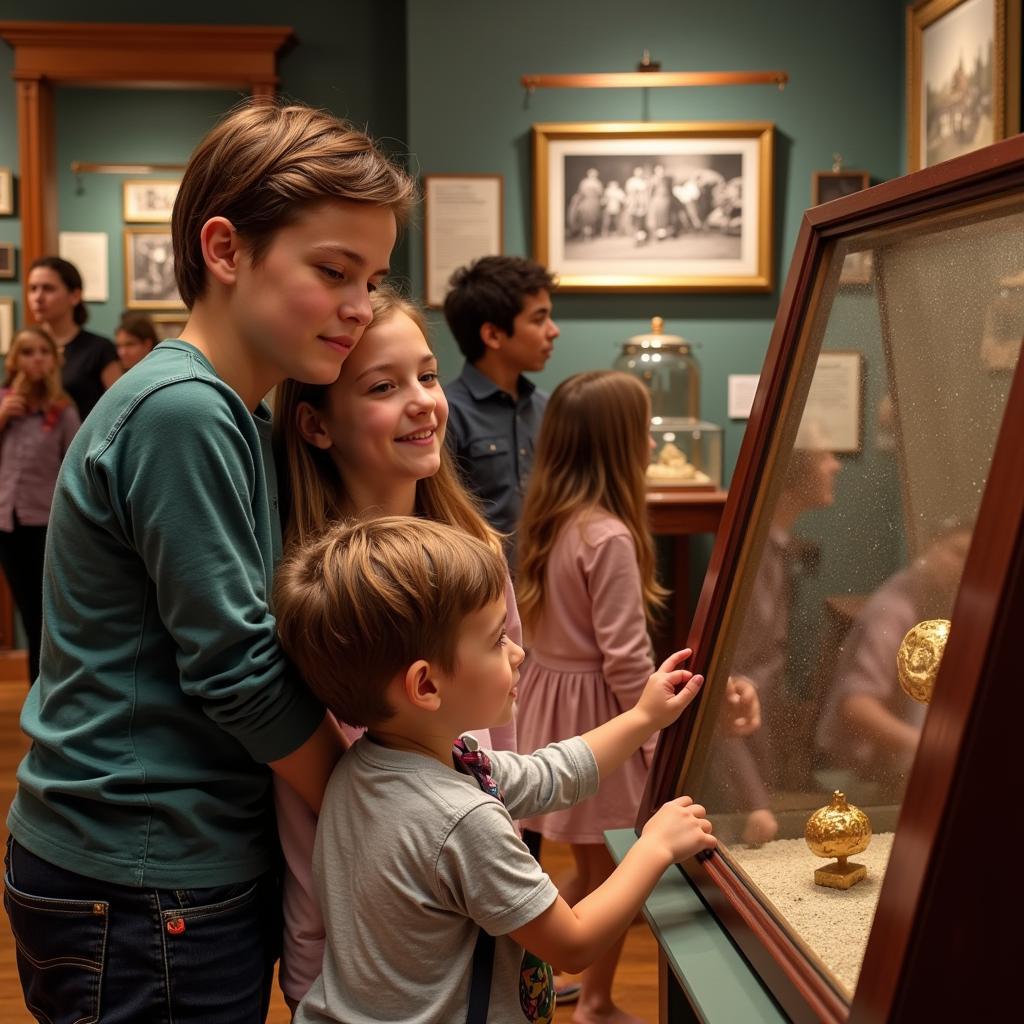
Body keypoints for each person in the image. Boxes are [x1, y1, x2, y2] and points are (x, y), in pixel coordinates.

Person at [4, 100, 415, 1024]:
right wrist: (375, 807)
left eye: (375, 277)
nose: (361, 306)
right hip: (146, 872)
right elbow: (237, 669)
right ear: (226, 251)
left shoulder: (229, 410)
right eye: (332, 270)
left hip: (158, 870)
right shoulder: (183, 411)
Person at [272, 516, 715, 1024]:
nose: (518, 651)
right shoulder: (463, 821)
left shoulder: (372, 767)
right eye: (495, 639)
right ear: (426, 686)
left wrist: (642, 717)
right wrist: (653, 847)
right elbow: (572, 943)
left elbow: (551, 773)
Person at [272, 284, 522, 1008]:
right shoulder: (317, 588)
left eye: (429, 375)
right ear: (317, 425)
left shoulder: (476, 553)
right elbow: (303, 811)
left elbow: (499, 743)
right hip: (361, 957)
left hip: (475, 913)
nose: (422, 401)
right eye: (385, 385)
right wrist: (312, 964)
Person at [512, 369, 675, 1024]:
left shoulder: (555, 521)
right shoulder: (608, 536)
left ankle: (545, 973)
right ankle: (597, 1001)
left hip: (552, 708)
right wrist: (658, 734)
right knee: (617, 869)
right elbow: (626, 657)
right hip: (598, 716)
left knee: (590, 861)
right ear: (622, 444)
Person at [442, 255, 559, 561]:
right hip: (479, 589)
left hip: (542, 587)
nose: (553, 330)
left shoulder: (547, 409)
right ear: (492, 334)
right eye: (538, 319)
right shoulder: (446, 414)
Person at [0, 326, 80, 682]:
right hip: (7, 523)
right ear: (14, 361)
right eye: (27, 352)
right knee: (26, 612)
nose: (35, 360)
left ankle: (44, 691)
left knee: (43, 617)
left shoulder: (63, 411)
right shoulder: (3, 403)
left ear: (54, 360)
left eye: (42, 352)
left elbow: (77, 470)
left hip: (46, 525)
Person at [27, 255, 121, 418]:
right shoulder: (25, 347)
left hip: (84, 441)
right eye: (33, 289)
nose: (38, 297)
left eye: (48, 288)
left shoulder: (99, 348)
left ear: (75, 296)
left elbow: (120, 408)